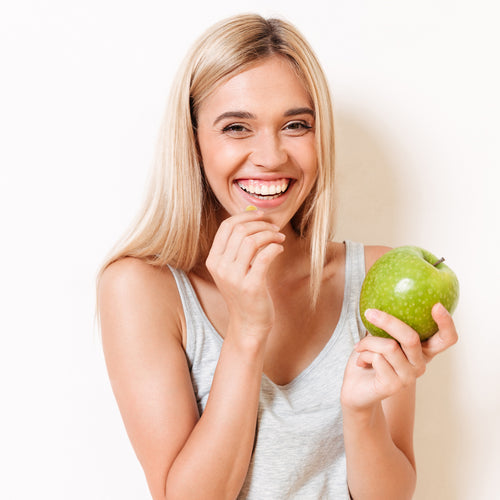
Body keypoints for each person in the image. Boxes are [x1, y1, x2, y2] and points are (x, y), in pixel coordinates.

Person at [97, 13, 458, 500]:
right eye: (237, 127)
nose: (270, 156)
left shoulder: (374, 276)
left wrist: (361, 411)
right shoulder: (143, 288)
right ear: (194, 139)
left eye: (295, 125)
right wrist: (247, 330)